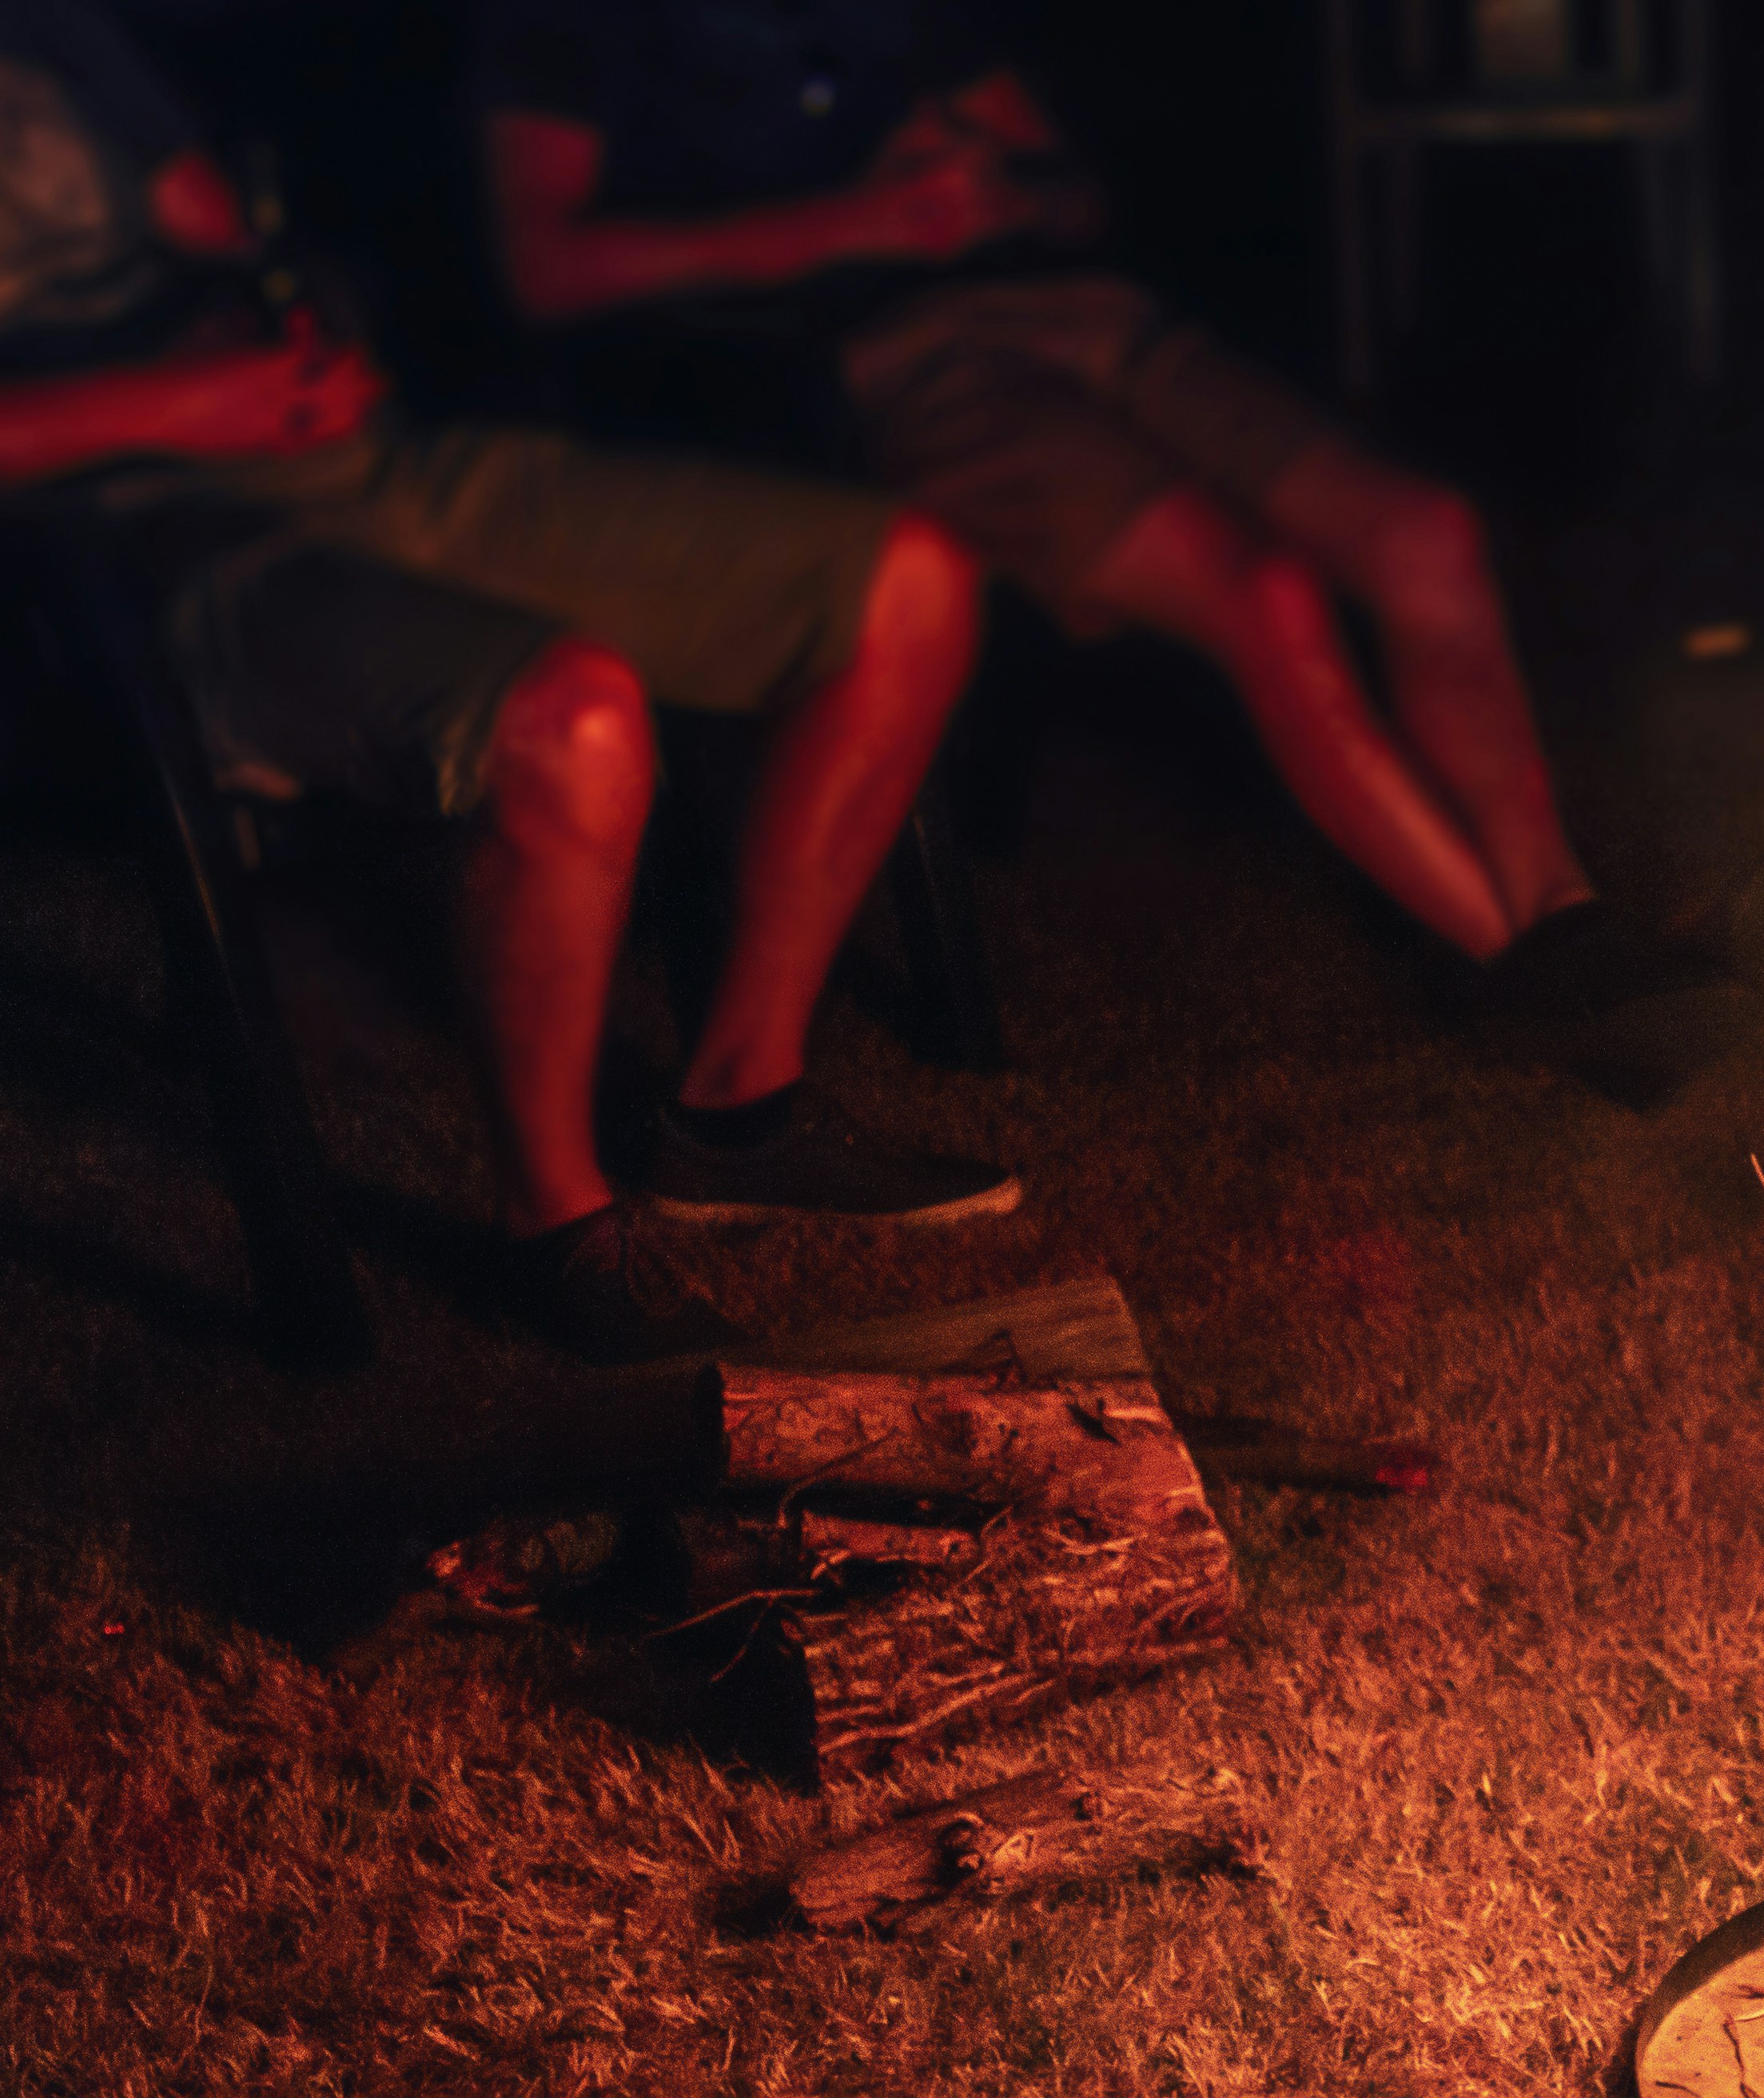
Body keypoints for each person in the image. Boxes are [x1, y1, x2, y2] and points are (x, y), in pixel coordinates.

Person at [0, 0, 1009, 1362]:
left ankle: (736, 1108)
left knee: (907, 580)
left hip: (345, 451)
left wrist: (273, 321)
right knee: (573, 722)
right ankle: (559, 1220)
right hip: (135, 539)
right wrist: (182, 406)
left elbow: (218, 220)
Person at [473, 0, 1678, 1025]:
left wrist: (998, 186)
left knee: (1425, 534)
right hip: (884, 360)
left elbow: (1076, 198)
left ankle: (1564, 917)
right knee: (1265, 592)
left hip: (1086, 320)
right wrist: (859, 222)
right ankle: (1522, 978)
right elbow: (545, 268)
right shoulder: (575, 28)